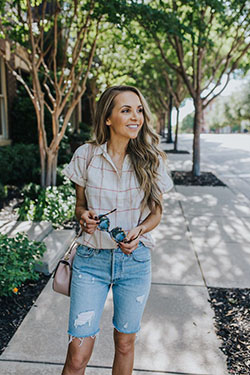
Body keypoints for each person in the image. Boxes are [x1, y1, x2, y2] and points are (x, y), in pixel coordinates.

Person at [61, 85, 173, 375]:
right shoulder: (86, 156)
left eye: (138, 110)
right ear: (108, 118)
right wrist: (84, 217)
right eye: (126, 110)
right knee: (77, 353)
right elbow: (79, 207)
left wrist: (139, 230)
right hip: (90, 261)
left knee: (125, 343)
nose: (135, 117)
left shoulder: (152, 159)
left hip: (134, 263)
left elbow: (156, 213)